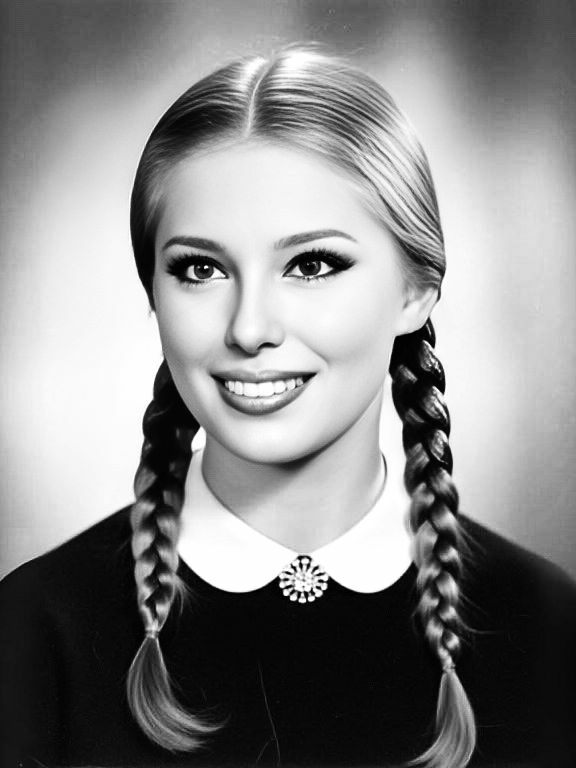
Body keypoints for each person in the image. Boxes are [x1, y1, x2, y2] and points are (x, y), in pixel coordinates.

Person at [1, 45, 575, 768]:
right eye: (200, 269)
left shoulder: (550, 629)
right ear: (154, 293)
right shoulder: (34, 631)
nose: (249, 328)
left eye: (311, 264)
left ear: (416, 291)